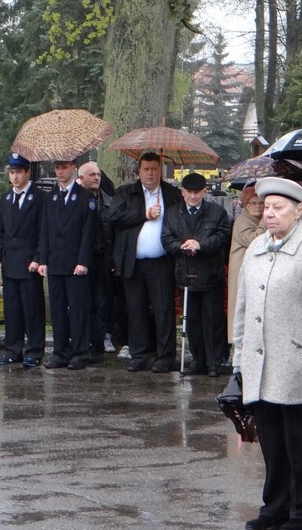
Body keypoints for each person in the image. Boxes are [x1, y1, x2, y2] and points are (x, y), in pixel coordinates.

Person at [233, 177, 302, 530]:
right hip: (260, 361)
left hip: (294, 361)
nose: (269, 214)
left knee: (300, 443)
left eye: (278, 208)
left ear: (299, 210)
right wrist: (239, 354)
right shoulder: (258, 245)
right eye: (266, 207)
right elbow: (242, 306)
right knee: (271, 441)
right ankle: (274, 507)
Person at [109, 152, 183, 373]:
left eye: (154, 169)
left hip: (161, 262)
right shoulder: (125, 193)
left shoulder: (171, 194)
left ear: (160, 171)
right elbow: (113, 217)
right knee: (136, 309)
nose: (150, 173)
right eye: (146, 169)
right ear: (138, 171)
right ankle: (139, 354)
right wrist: (144, 214)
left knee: (163, 310)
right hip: (134, 261)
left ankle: (165, 356)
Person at [163, 172, 231, 377]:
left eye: (197, 192)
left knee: (213, 320)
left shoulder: (217, 212)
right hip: (186, 273)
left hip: (210, 274)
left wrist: (200, 245)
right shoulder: (173, 213)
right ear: (182, 192)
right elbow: (166, 238)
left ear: (204, 191)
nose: (193, 196)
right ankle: (198, 360)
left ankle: (213, 362)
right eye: (189, 192)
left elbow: (222, 236)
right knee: (191, 321)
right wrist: (182, 246)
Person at [37, 158, 97, 370]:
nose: (60, 172)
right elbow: (44, 230)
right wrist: (42, 259)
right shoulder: (50, 197)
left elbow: (88, 233)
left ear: (73, 169)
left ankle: (80, 352)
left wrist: (82, 261)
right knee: (58, 309)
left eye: (64, 167)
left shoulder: (85, 198)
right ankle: (60, 352)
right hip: (55, 261)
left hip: (75, 264)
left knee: (78, 308)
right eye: (57, 168)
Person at [0, 152, 46, 369]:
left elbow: (43, 231)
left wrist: (38, 258)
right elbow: (0, 230)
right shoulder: (6, 197)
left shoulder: (39, 197)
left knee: (32, 309)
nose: (14, 177)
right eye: (12, 173)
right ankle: (13, 350)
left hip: (29, 261)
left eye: (18, 172)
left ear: (27, 172)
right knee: (12, 309)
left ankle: (34, 351)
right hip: (10, 260)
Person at [78, 161, 116, 360]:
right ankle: (81, 341)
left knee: (101, 302)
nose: (96, 177)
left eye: (98, 174)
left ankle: (99, 343)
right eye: (92, 174)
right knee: (82, 302)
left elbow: (113, 233)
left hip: (102, 258)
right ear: (81, 178)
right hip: (81, 258)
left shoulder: (109, 201)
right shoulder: (76, 200)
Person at [227, 185, 265, 348]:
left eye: (261, 203)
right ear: (245, 205)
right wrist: (265, 222)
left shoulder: (255, 219)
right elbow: (254, 241)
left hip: (252, 272)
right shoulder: (242, 221)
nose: (258, 206)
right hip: (241, 274)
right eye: (253, 203)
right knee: (241, 312)